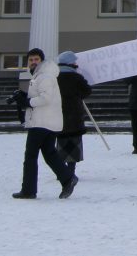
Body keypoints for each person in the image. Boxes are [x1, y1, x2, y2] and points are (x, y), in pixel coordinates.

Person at [11, 47, 79, 199]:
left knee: (30, 155)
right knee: (49, 153)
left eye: (36, 59)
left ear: (42, 61)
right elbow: (41, 96)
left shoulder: (45, 76)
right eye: (31, 60)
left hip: (41, 122)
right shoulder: (40, 76)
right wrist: (23, 96)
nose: (33, 62)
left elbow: (45, 98)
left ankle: (28, 190)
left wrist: (27, 101)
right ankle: (68, 179)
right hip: (47, 121)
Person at [55, 50, 92, 178]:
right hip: (74, 115)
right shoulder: (76, 77)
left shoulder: (55, 77)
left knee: (61, 142)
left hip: (58, 114)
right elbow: (87, 91)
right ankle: (70, 170)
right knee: (73, 143)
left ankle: (61, 170)